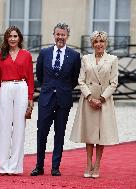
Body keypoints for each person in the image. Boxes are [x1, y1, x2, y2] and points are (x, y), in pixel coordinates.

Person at [30, 23, 81, 176]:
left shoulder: (74, 55)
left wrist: (62, 89)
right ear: (54, 35)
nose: (60, 37)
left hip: (63, 100)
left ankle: (55, 167)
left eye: (63, 35)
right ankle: (39, 166)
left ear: (67, 36)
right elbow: (39, 75)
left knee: (59, 133)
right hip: (46, 99)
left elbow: (74, 79)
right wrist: (49, 88)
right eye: (58, 34)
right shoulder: (44, 53)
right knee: (42, 133)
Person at [70, 31, 119, 178]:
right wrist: (90, 98)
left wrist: (102, 99)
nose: (98, 44)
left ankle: (97, 165)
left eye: (101, 41)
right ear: (92, 44)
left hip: (104, 101)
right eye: (96, 42)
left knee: (101, 134)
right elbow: (81, 80)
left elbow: (114, 82)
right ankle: (88, 164)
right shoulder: (85, 58)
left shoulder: (112, 59)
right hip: (88, 101)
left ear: (105, 43)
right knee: (90, 134)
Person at [0, 26, 34, 175]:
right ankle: (3, 166)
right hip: (5, 87)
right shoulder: (0, 55)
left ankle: (16, 167)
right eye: (10, 36)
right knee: (4, 127)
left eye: (15, 36)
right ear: (6, 38)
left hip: (22, 88)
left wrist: (30, 97)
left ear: (19, 38)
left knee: (19, 127)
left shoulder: (26, 55)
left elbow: (30, 77)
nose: (12, 38)